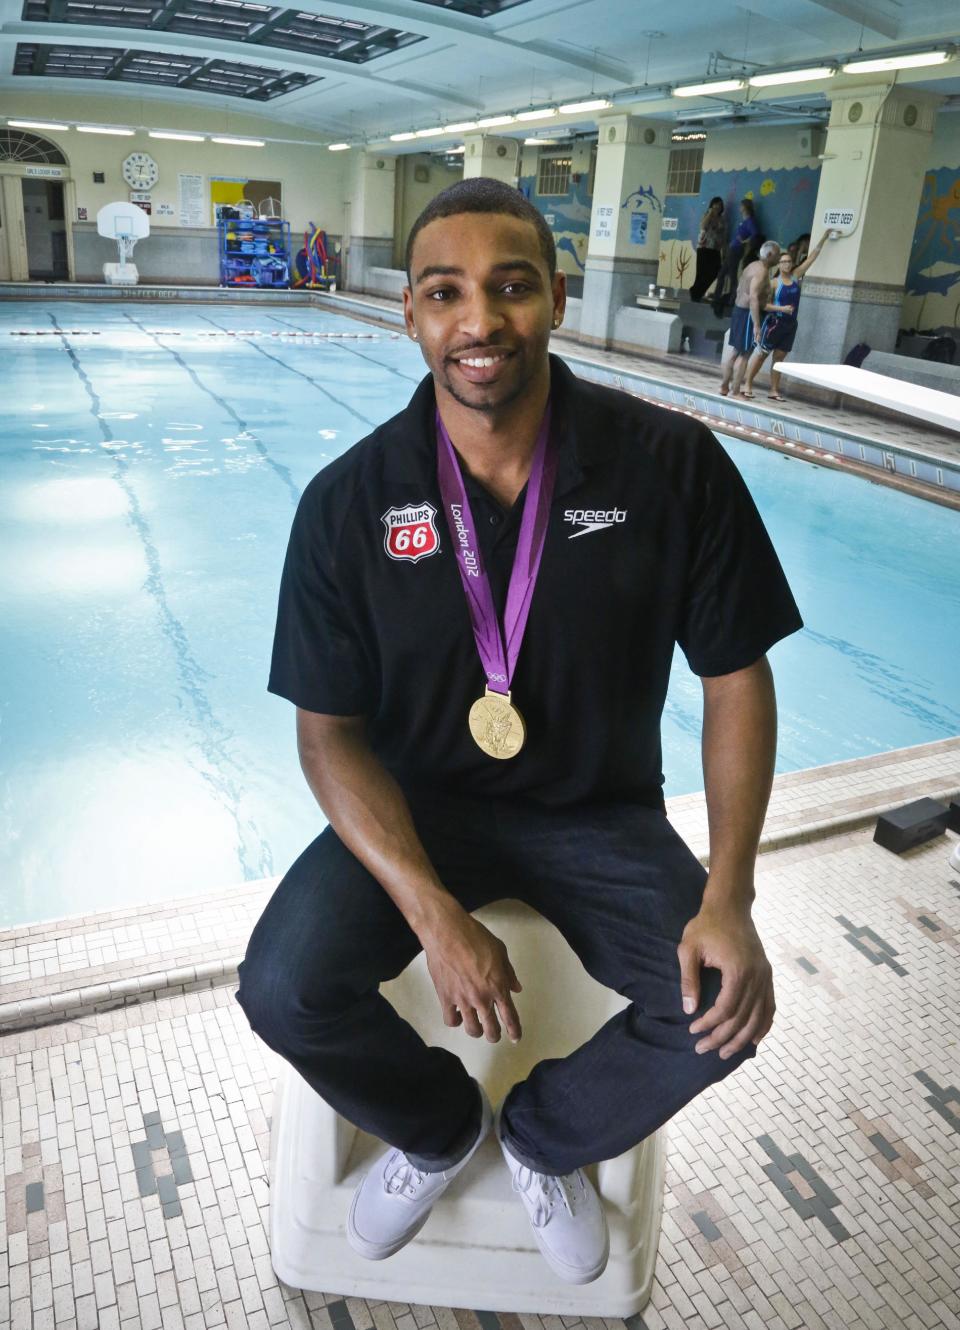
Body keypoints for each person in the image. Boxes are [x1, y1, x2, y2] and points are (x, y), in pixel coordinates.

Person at [234, 177, 803, 1287]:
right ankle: (438, 1126)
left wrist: (730, 893)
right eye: (446, 292)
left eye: (511, 288)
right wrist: (434, 913)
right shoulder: (349, 503)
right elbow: (328, 737)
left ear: (554, 298)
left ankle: (546, 1136)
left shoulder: (669, 464)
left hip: (599, 809)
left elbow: (737, 678)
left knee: (724, 1010)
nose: (479, 321)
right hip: (418, 808)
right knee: (283, 988)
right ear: (410, 313)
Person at [741, 229, 835, 400]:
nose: (787, 264)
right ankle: (747, 384)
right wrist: (781, 309)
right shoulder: (773, 283)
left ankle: (774, 390)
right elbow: (764, 305)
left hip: (790, 324)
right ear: (779, 264)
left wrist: (824, 237)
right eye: (783, 262)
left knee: (779, 358)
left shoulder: (795, 276)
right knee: (762, 354)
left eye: (789, 261)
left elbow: (812, 257)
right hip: (775, 322)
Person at [719, 239, 782, 397]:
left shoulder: (752, 265)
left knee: (734, 352)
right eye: (777, 254)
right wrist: (756, 325)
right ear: (769, 254)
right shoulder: (761, 272)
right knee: (744, 354)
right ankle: (735, 391)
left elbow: (742, 289)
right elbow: (753, 297)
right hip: (748, 315)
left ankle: (724, 387)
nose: (779, 258)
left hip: (739, 311)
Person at [712, 198, 759, 315]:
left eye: (741, 206)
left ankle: (733, 299)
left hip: (736, 250)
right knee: (722, 274)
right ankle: (717, 297)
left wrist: (745, 241)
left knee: (732, 275)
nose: (740, 208)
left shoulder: (750, 221)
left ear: (745, 207)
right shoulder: (744, 221)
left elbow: (756, 234)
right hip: (732, 249)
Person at [688, 196, 726, 302]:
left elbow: (723, 235)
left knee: (716, 271)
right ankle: (696, 294)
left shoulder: (722, 219)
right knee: (701, 273)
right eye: (716, 204)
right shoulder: (707, 215)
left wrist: (723, 249)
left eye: (720, 205)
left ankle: (695, 291)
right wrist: (710, 213)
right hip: (704, 247)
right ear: (712, 205)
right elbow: (703, 226)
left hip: (716, 249)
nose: (718, 207)